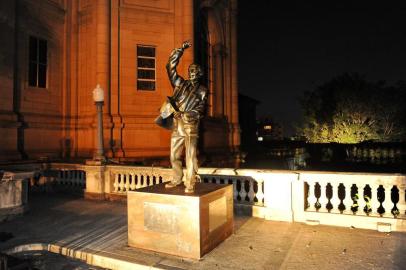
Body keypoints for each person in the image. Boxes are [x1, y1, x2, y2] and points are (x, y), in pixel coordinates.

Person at [155, 41, 207, 193]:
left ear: (200, 74)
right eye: (190, 70)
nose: (192, 72)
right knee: (173, 155)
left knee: (190, 156)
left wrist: (186, 114)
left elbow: (200, 110)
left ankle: (190, 182)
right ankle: (177, 178)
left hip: (190, 126)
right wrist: (180, 51)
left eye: (195, 70)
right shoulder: (180, 84)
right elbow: (169, 68)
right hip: (177, 124)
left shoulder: (202, 90)